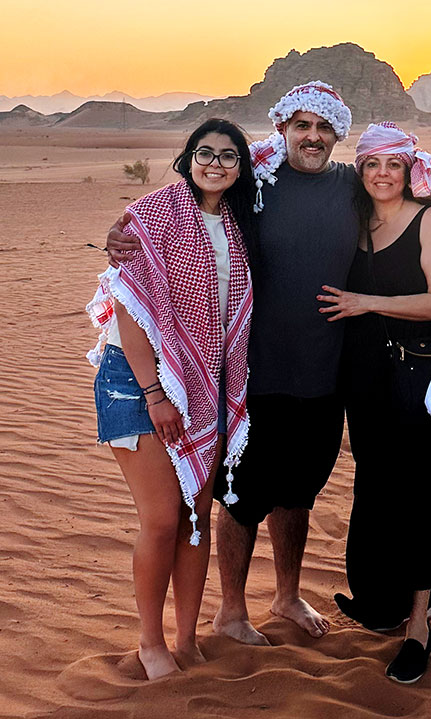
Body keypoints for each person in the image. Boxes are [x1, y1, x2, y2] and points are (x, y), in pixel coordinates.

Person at [105, 82, 359, 644]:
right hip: (247, 379)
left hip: (322, 375)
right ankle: (232, 612)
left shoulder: (352, 183)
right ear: (283, 131)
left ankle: (287, 597)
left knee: (298, 493)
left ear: (338, 135)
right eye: (301, 126)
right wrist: (121, 235)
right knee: (240, 497)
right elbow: (162, 234)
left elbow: (414, 189)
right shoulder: (256, 186)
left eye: (324, 128)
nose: (312, 137)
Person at [87, 118, 255, 679]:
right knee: (162, 518)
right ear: (188, 157)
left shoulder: (236, 221)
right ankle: (150, 642)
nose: (216, 164)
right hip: (139, 381)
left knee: (198, 516)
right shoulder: (153, 216)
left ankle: (186, 636)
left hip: (206, 382)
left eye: (229, 157)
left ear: (241, 166)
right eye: (204, 153)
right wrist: (156, 392)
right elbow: (132, 307)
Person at [317, 122, 431, 683]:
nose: (382, 174)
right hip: (366, 378)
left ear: (408, 169)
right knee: (374, 484)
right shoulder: (354, 224)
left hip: (420, 376)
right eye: (372, 164)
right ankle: (382, 600)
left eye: (392, 165)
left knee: (417, 494)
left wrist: (362, 302)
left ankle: (420, 622)